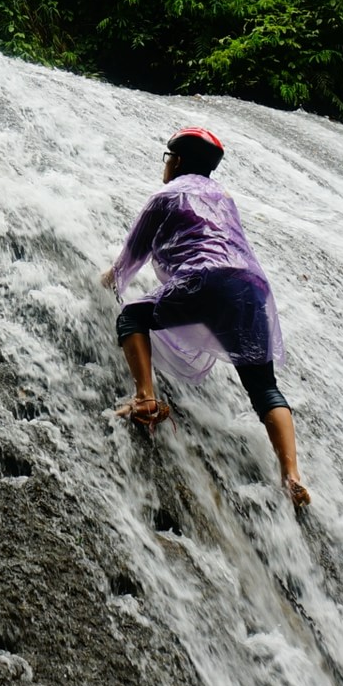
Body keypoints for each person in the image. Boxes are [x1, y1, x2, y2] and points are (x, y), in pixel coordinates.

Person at [101, 127, 309, 507]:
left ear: (177, 161)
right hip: (250, 288)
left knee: (132, 316)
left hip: (203, 279)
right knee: (263, 388)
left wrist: (109, 280)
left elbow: (134, 252)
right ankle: (291, 475)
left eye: (168, 158)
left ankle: (145, 399)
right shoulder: (224, 198)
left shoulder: (167, 195)